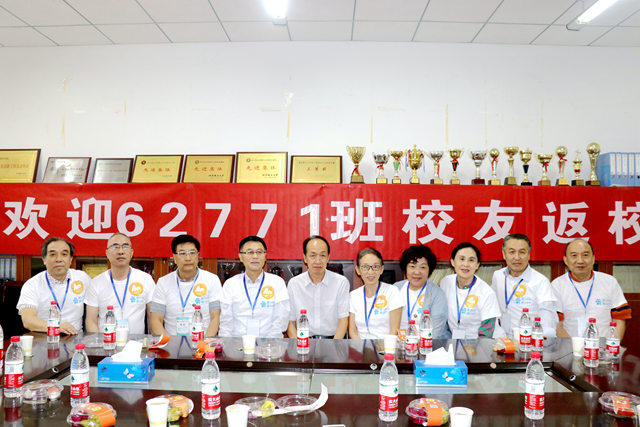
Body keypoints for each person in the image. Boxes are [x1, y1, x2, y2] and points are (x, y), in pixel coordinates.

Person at [551, 238, 631, 338]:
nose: (580, 260)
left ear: (593, 258)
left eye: (585, 255)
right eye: (574, 255)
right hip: (569, 345)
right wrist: (572, 346)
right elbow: (556, 324)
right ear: (566, 260)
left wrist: (612, 345)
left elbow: (619, 319)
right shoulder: (557, 285)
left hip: (604, 345)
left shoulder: (609, 282)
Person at [150, 234, 222, 336]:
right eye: (182, 253)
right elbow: (156, 319)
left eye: (192, 253)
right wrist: (167, 343)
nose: (188, 258)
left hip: (203, 341)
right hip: (172, 342)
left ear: (198, 255)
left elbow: (215, 318)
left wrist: (204, 343)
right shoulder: (163, 282)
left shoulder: (212, 280)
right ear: (174, 257)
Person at [219, 236, 290, 337]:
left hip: (270, 342)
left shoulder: (277, 283)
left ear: (265, 256)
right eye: (250, 252)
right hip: (238, 343)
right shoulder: (230, 284)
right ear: (240, 257)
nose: (255, 256)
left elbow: (281, 321)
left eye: (259, 252)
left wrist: (269, 344)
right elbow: (226, 323)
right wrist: (227, 345)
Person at [85, 233, 155, 334]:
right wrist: (99, 342)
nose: (120, 251)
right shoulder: (96, 283)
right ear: (107, 253)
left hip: (136, 342)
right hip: (106, 341)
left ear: (131, 253)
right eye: (115, 247)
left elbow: (153, 318)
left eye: (125, 246)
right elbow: (91, 321)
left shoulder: (146, 279)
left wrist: (153, 342)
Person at [17, 237, 90, 334]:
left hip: (76, 338)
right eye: (53, 254)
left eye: (64, 254)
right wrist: (56, 327)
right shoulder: (32, 284)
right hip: (44, 337)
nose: (59, 259)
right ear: (44, 259)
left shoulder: (82, 278)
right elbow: (28, 321)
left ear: (70, 259)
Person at [491, 234, 558, 338]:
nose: (517, 257)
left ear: (529, 255)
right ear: (504, 254)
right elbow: (491, 306)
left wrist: (539, 337)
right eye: (512, 252)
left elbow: (548, 315)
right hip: (502, 339)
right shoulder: (498, 276)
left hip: (528, 340)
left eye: (522, 252)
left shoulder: (540, 281)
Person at [287, 235, 349, 339]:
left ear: (328, 258)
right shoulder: (294, 284)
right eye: (313, 255)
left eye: (322, 255)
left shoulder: (340, 282)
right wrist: (299, 345)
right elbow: (290, 322)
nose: (318, 261)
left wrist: (334, 346)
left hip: (333, 341)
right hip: (303, 340)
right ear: (305, 258)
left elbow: (343, 321)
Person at [440, 242, 501, 339]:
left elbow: (487, 332)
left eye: (471, 260)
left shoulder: (486, 293)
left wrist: (474, 348)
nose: (466, 264)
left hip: (481, 342)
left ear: (477, 265)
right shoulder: (445, 283)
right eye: (461, 259)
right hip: (455, 341)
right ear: (452, 262)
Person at [394, 245, 449, 338]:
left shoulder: (437, 294)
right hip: (400, 342)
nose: (417, 272)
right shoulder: (396, 288)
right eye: (412, 266)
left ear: (429, 270)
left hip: (428, 343)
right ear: (405, 269)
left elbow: (435, 332)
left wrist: (416, 344)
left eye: (423, 267)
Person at [348, 248, 402, 339]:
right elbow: (353, 331)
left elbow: (394, 331)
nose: (370, 272)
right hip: (361, 345)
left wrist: (384, 347)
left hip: (386, 345)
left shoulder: (392, 292)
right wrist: (361, 346)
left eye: (375, 267)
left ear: (381, 269)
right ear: (358, 270)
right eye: (365, 267)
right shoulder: (353, 295)